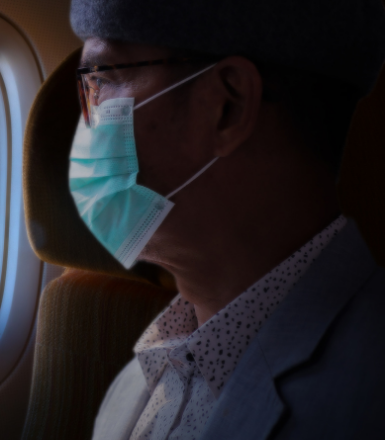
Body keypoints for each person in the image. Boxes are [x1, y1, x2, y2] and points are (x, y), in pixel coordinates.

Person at [66, 0, 385, 439]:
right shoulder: (140, 379)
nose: (86, 115)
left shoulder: (366, 399)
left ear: (227, 107)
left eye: (102, 79)